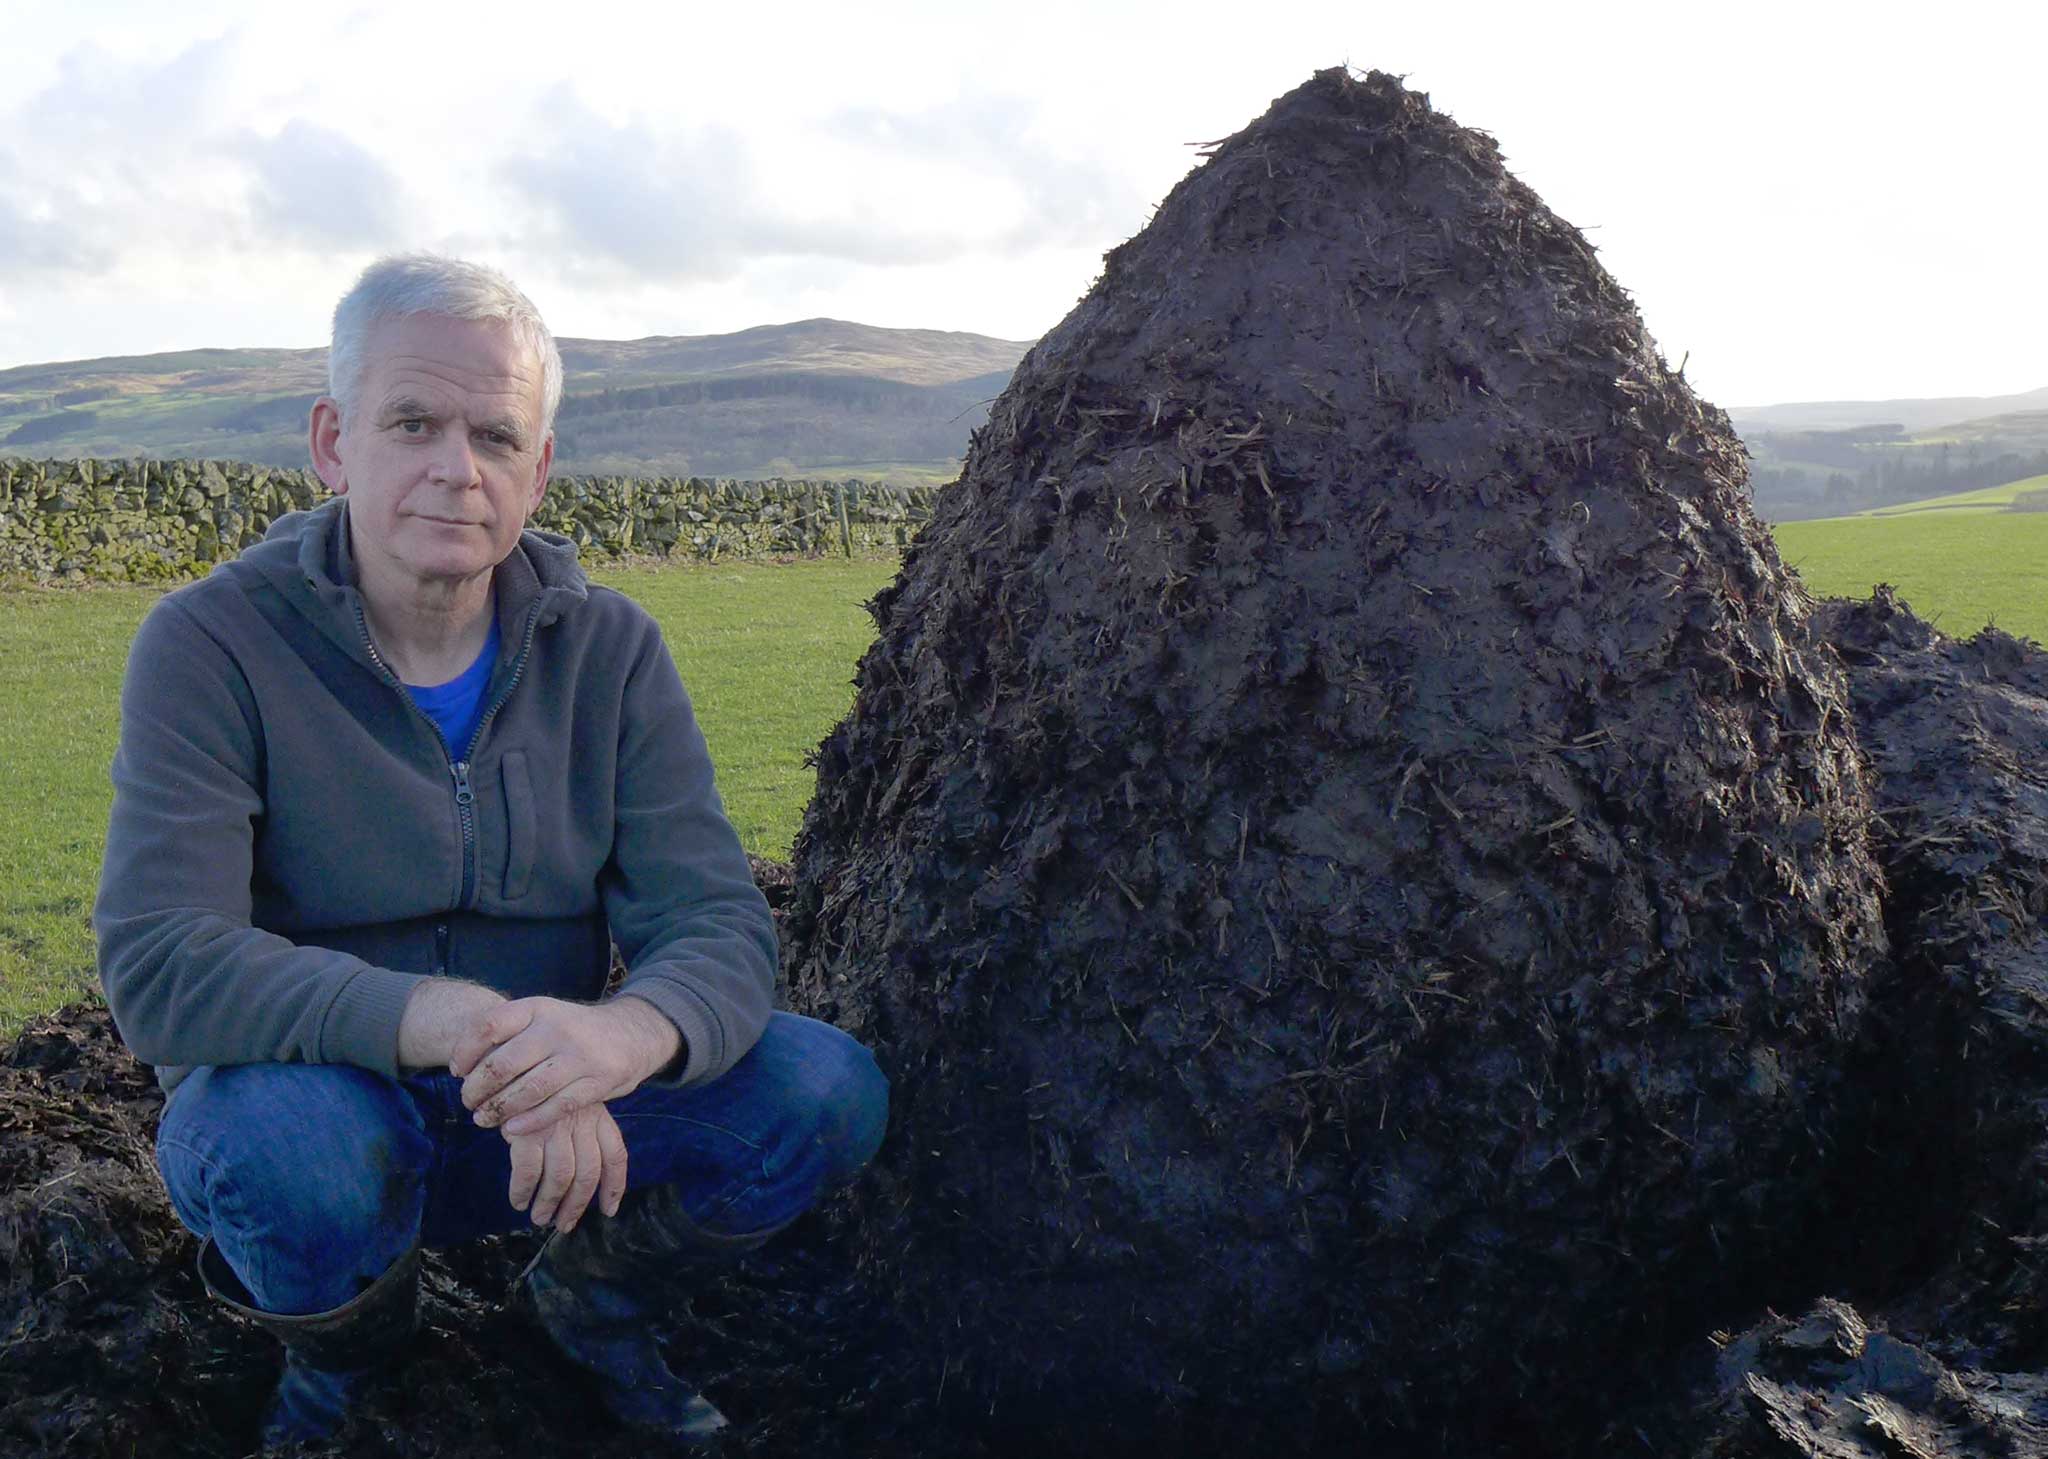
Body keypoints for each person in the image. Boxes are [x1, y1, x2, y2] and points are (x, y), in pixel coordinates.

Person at [92, 254, 888, 1449]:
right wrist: (465, 1027)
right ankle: (345, 1367)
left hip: (556, 1124)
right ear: (332, 441)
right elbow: (163, 962)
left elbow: (716, 925)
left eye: (496, 435)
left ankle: (587, 1306)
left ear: (540, 469)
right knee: (291, 1162)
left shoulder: (610, 652)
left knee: (823, 1089)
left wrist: (616, 1038)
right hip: (327, 1102)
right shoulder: (210, 644)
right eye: (411, 422)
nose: (455, 470)